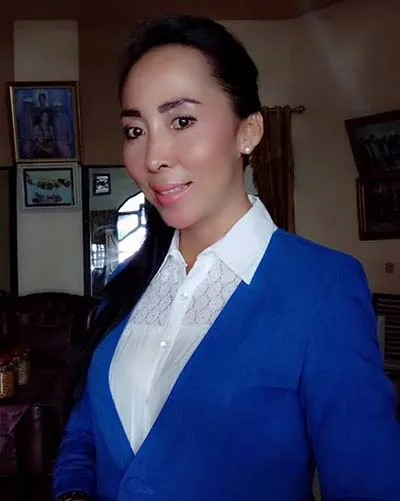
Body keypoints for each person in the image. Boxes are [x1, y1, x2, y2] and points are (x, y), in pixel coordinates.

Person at [53, 14, 400, 501]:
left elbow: (368, 485)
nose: (153, 157)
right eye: (135, 130)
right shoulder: (125, 290)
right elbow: (85, 434)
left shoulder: (323, 287)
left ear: (248, 131)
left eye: (181, 121)